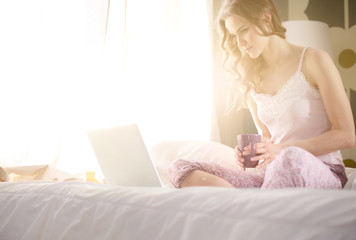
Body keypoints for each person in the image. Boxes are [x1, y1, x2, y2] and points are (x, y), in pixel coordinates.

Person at [167, 0, 355, 189]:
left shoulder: (314, 60)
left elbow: (347, 135)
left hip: (320, 170)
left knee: (290, 159)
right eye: (234, 35)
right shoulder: (250, 78)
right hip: (271, 177)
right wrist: (252, 152)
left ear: (266, 17)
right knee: (180, 167)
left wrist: (280, 151)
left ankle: (255, 205)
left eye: (243, 30)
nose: (240, 43)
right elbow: (267, 137)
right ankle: (246, 205)